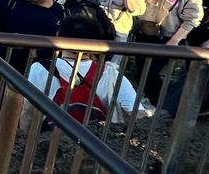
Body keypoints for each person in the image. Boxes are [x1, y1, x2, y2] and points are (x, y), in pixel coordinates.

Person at [20, 14, 154, 131]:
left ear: (58, 37)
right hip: (95, 143)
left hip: (49, 141)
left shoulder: (40, 68)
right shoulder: (111, 74)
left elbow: (27, 110)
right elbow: (137, 113)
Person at [138, 0, 204, 104]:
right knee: (142, 71)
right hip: (144, 32)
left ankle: (157, 103)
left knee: (152, 72)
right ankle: (148, 101)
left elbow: (192, 19)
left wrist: (175, 40)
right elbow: (134, 1)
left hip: (167, 37)